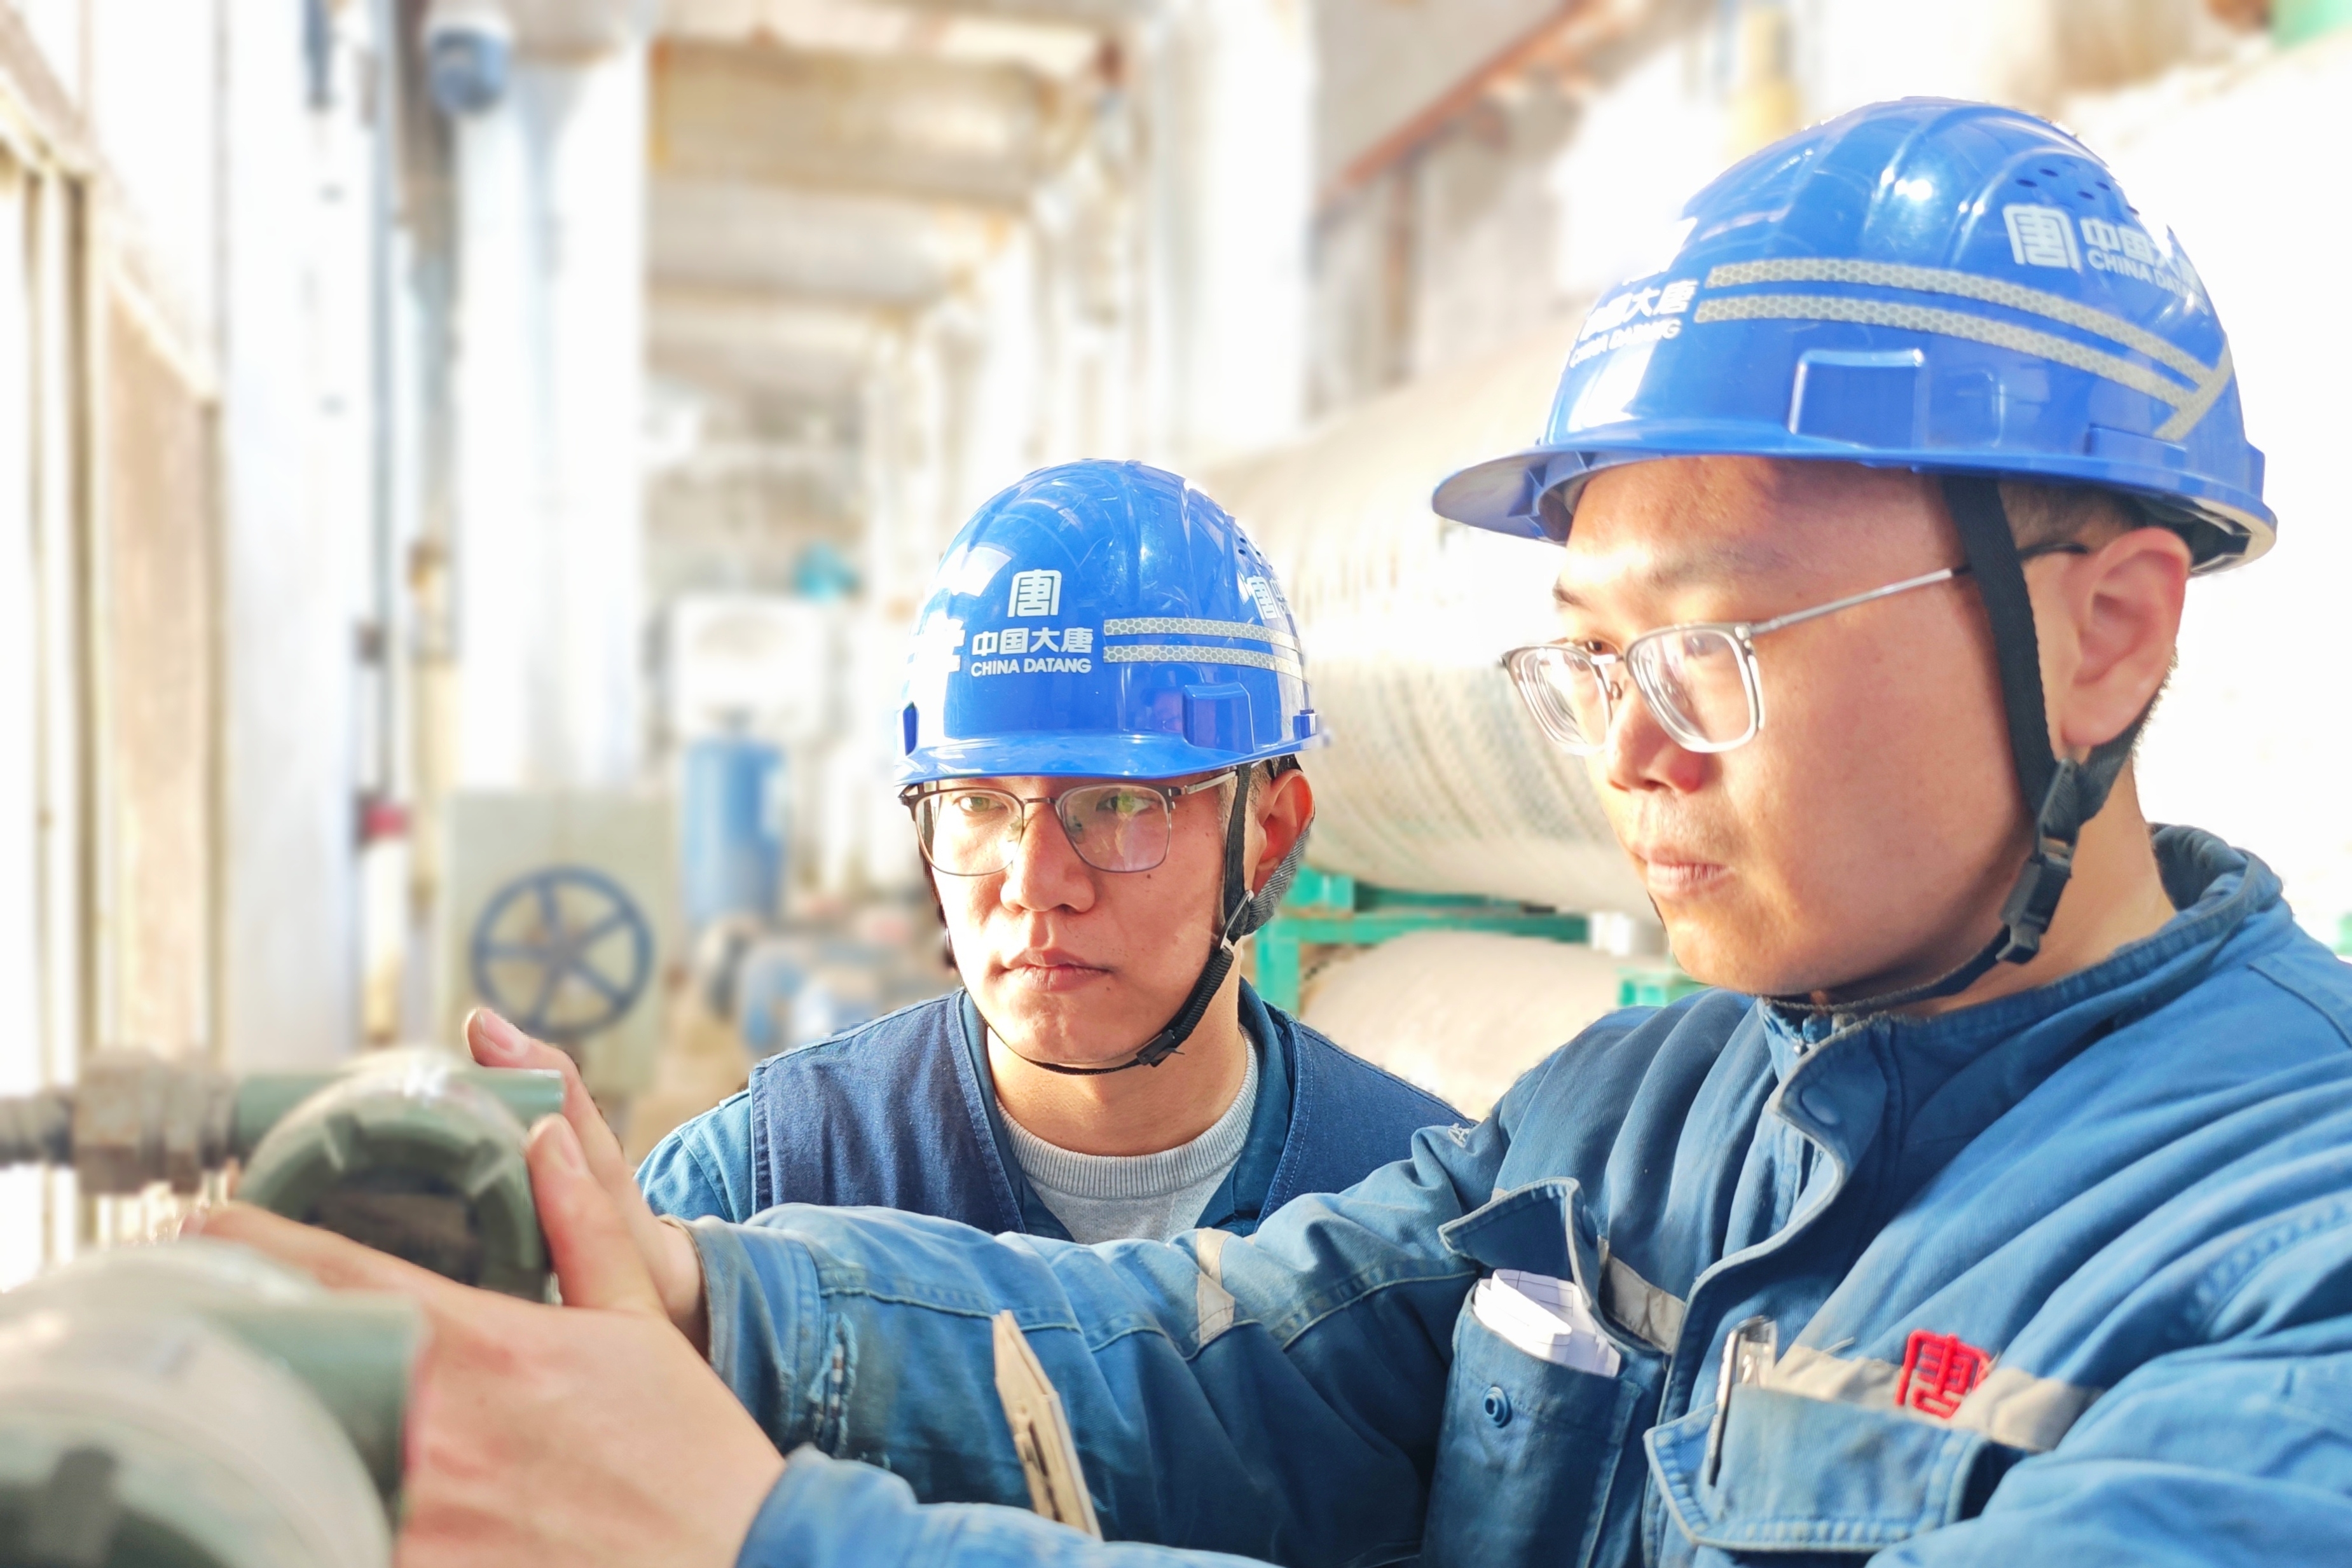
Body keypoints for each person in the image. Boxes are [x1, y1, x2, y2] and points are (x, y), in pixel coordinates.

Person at [205, 98, 2352, 1566]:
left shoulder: (2286, 1283)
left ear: (2101, 633)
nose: (1623, 752)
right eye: (1587, 660)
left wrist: (767, 1533)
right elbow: (1226, 1354)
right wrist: (704, 1296)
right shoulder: (1654, 1109)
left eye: (1707, 648)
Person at [533, 459, 1457, 1249]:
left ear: (1268, 834)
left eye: (1119, 803)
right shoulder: (756, 1194)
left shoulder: (1424, 1217)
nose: (1035, 883)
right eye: (978, 802)